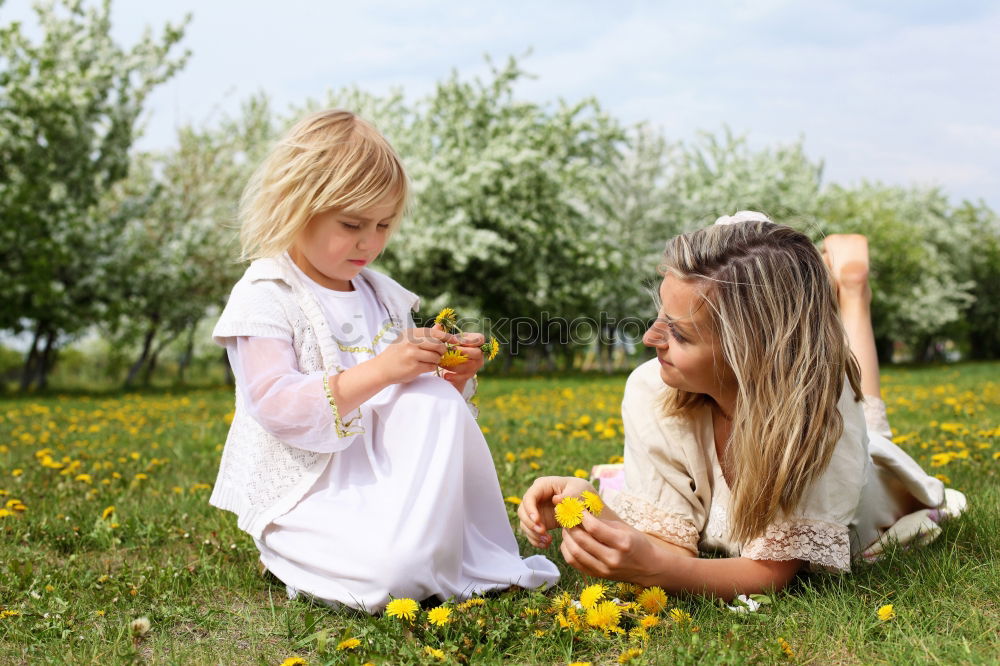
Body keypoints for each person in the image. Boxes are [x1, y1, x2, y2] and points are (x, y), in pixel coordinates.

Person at [210, 109, 558, 612]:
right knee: (393, 577)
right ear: (297, 206)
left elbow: (408, 408)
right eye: (351, 224)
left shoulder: (383, 296)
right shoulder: (269, 294)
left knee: (433, 398)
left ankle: (418, 550)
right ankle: (295, 552)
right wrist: (383, 368)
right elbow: (276, 406)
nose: (369, 242)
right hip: (312, 489)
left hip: (390, 485)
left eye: (383, 225)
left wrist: (448, 377)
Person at [519, 212, 965, 599]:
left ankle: (852, 289)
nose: (650, 338)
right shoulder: (651, 388)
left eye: (679, 332)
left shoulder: (818, 419)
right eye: (660, 316)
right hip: (773, 389)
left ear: (748, 352)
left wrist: (656, 569)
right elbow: (668, 540)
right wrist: (592, 508)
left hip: (858, 473)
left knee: (868, 415)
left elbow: (771, 571)